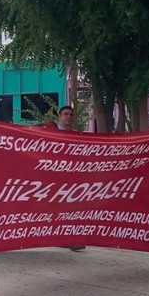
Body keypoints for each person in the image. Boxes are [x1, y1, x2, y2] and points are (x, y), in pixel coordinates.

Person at [56, 106, 86, 252]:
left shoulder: (77, 135)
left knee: (73, 210)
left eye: (71, 114)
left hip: (72, 180)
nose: (68, 117)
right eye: (65, 114)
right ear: (59, 116)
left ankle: (72, 239)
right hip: (54, 179)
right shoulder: (51, 133)